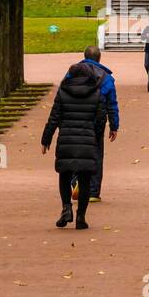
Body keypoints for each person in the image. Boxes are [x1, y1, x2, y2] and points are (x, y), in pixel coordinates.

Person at [42, 61, 107, 229]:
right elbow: (101, 120)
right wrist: (96, 136)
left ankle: (66, 208)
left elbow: (54, 118)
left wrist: (46, 139)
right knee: (85, 179)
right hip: (87, 140)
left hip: (66, 140)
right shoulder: (97, 93)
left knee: (64, 175)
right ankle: (81, 217)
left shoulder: (63, 92)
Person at [79, 45, 119, 201]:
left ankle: (76, 183)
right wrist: (114, 125)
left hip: (75, 117)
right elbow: (112, 104)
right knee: (96, 153)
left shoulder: (72, 73)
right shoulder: (106, 77)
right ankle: (93, 191)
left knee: (76, 150)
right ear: (99, 58)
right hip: (97, 119)